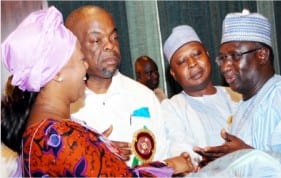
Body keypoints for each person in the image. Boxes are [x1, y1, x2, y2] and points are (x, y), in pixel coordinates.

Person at [1, 6, 195, 177]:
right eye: (80, 60)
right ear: (57, 72)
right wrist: (170, 166)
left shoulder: (48, 130)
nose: (85, 67)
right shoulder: (56, 136)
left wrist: (95, 148)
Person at [65, 5, 172, 167]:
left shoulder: (143, 96)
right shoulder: (66, 109)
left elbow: (163, 159)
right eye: (96, 40)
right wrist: (92, 153)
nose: (110, 45)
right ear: (75, 49)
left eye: (114, 37)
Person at [193, 9, 281, 168]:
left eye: (235, 56)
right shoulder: (241, 110)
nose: (225, 67)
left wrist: (246, 156)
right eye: (222, 58)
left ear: (262, 54)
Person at [161, 25, 241, 166]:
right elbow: (181, 150)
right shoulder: (171, 108)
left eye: (197, 54)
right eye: (182, 61)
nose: (192, 63)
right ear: (173, 74)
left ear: (208, 55)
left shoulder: (237, 97)